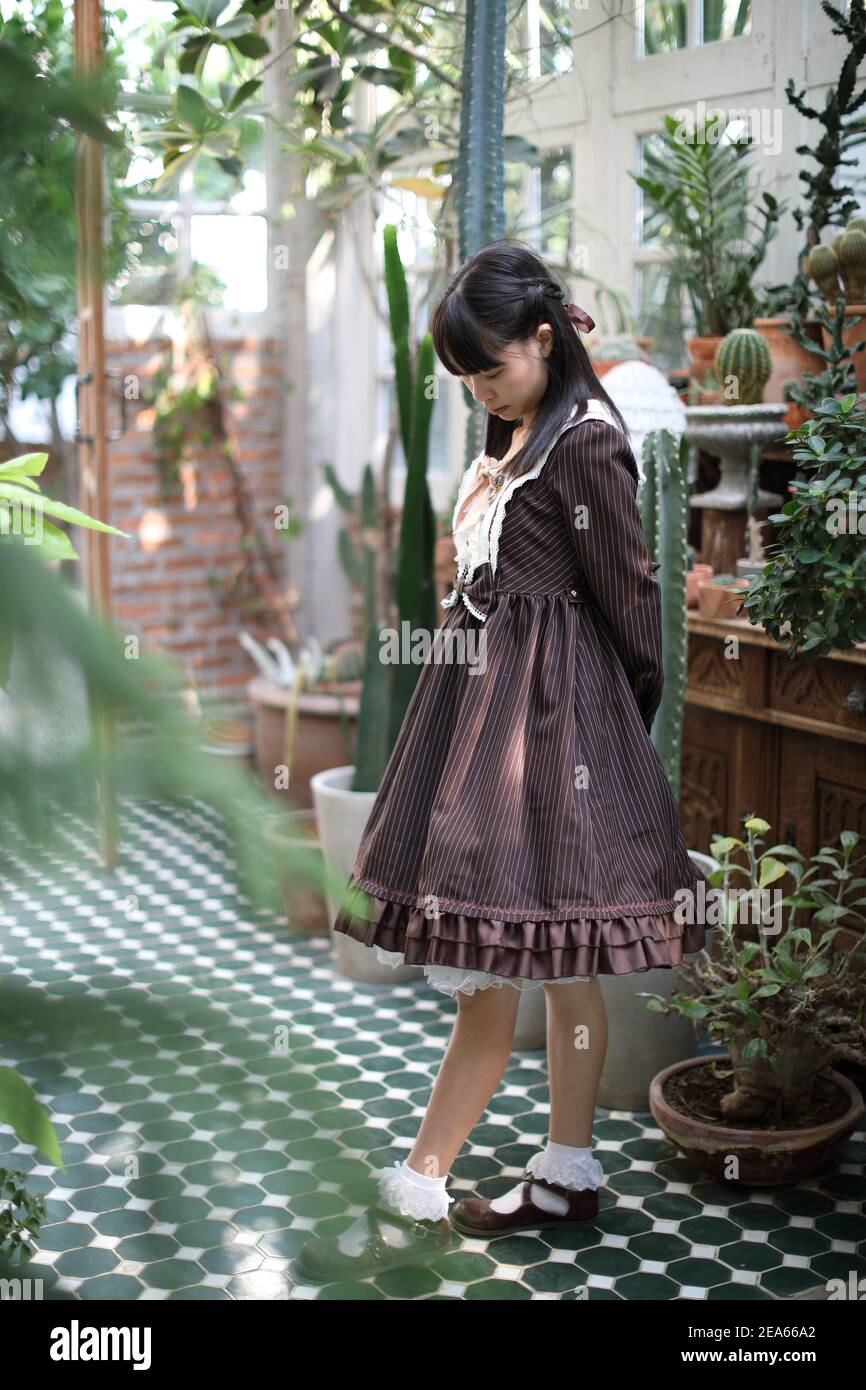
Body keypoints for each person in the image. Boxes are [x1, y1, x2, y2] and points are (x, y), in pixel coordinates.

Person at [294, 240, 708, 1284]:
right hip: (482, 720)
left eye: (490, 368)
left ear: (541, 338)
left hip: (547, 736)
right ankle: (566, 1172)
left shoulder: (584, 446)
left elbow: (630, 604)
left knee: (488, 972)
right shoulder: (520, 428)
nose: (479, 388)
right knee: (557, 964)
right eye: (467, 377)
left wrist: (608, 732)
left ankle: (417, 1187)